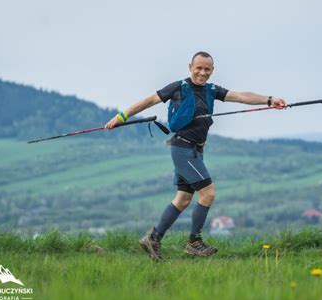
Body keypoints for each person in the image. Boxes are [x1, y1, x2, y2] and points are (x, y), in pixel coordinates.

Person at [105, 51, 287, 261]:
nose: (202, 72)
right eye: (198, 68)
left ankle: (153, 238)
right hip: (183, 150)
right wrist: (121, 117)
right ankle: (194, 242)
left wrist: (270, 100)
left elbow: (241, 96)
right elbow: (149, 101)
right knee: (208, 194)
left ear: (212, 70)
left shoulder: (211, 90)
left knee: (183, 199)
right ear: (190, 67)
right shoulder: (178, 87)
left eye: (206, 69)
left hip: (194, 151)